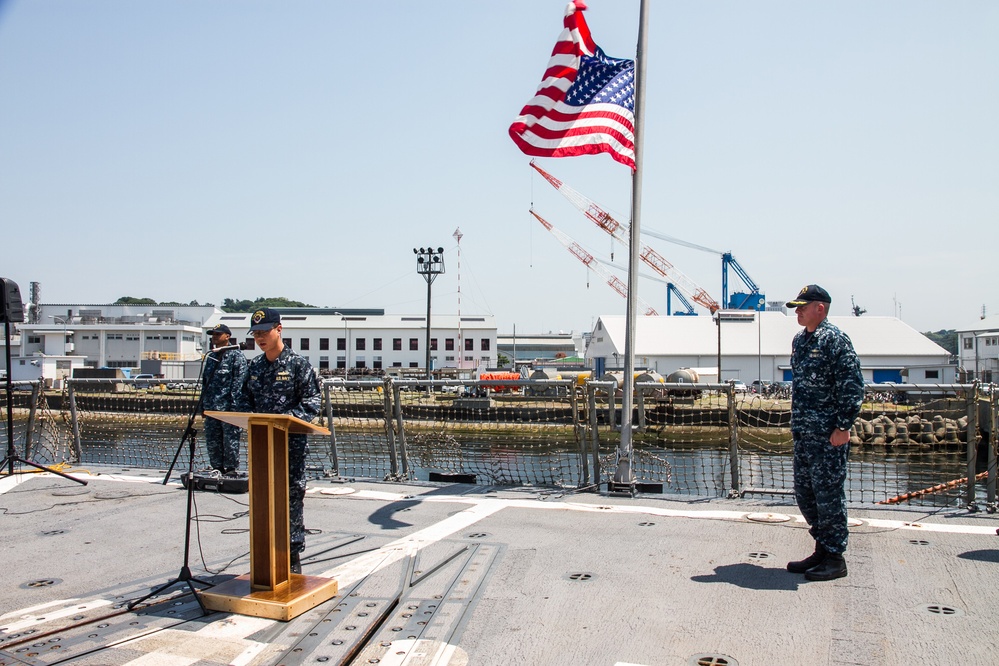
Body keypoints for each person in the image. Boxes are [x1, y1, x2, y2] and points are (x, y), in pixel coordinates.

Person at [784, 284, 864, 582]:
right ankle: (822, 547)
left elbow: (852, 385)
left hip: (829, 434)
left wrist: (843, 426)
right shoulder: (800, 341)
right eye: (796, 307)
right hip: (804, 432)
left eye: (802, 306)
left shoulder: (835, 340)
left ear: (821, 307)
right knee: (806, 494)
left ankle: (835, 558)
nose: (797, 311)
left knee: (828, 494)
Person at [238, 308, 321, 574]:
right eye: (256, 334)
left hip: (290, 444)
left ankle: (292, 556)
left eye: (265, 332)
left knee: (291, 496)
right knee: (263, 496)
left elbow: (312, 403)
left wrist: (284, 421)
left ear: (279, 329)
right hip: (262, 445)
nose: (260, 338)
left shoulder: (298, 364)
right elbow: (243, 402)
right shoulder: (254, 367)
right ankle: (265, 555)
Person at [201, 323, 248, 475]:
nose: (214, 337)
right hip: (212, 407)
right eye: (213, 334)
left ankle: (230, 469)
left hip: (228, 407)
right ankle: (217, 467)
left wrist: (235, 408)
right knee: (212, 439)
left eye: (217, 334)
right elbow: (205, 382)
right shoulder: (211, 356)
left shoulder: (236, 356)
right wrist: (203, 406)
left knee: (230, 440)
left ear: (227, 336)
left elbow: (238, 383)